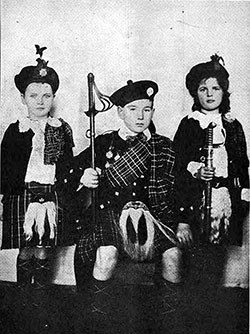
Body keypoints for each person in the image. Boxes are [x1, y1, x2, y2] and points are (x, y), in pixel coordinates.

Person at [65, 80, 183, 331]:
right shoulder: (104, 143)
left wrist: (181, 221)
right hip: (111, 213)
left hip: (152, 215)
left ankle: (168, 322)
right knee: (106, 253)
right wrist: (82, 176)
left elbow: (178, 186)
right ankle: (96, 319)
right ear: (119, 112)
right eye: (133, 109)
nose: (141, 116)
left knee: (173, 255)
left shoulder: (162, 146)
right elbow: (68, 169)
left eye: (147, 109)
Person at [0, 45, 74, 291]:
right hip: (21, 193)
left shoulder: (61, 128)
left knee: (43, 250)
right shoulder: (16, 129)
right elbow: (5, 168)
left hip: (50, 192)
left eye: (47, 96)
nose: (41, 102)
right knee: (25, 247)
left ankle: (41, 300)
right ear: (23, 98)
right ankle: (23, 296)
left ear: (53, 98)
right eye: (33, 96)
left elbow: (67, 165)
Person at [173, 54, 249, 289]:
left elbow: (241, 163)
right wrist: (195, 171)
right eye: (203, 88)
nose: (209, 93)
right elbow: (176, 164)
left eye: (215, 88)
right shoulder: (190, 123)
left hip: (224, 201)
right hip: (196, 200)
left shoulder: (233, 126)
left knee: (217, 257)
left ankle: (211, 309)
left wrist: (243, 199)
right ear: (195, 93)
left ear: (224, 92)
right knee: (194, 257)